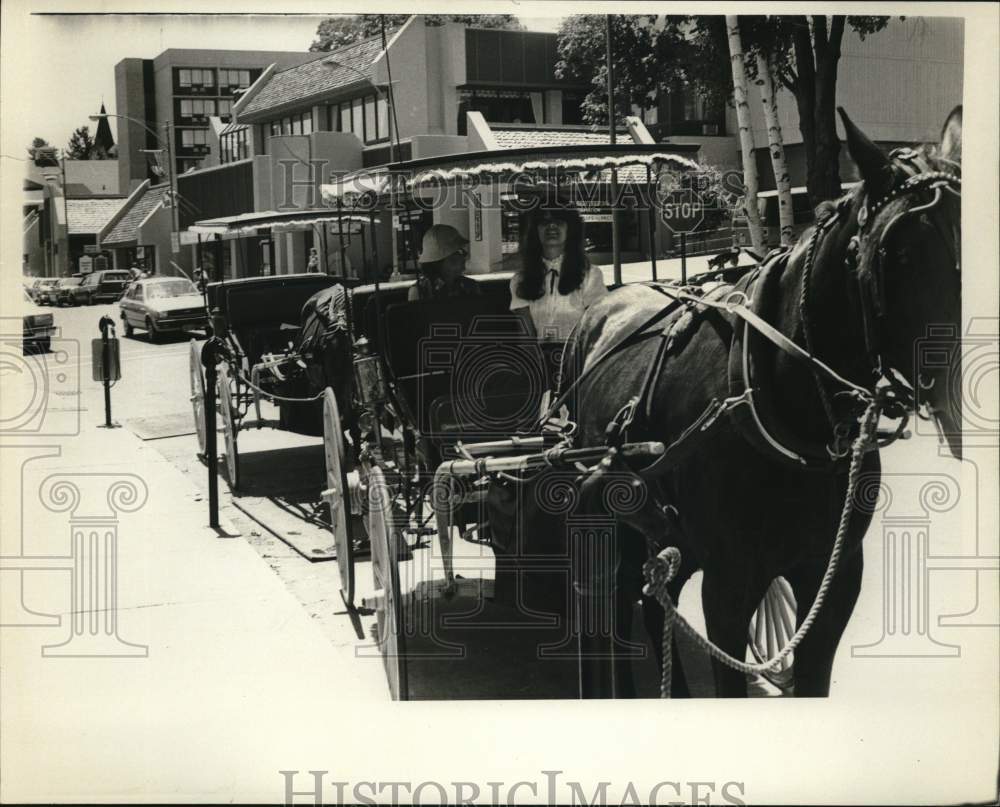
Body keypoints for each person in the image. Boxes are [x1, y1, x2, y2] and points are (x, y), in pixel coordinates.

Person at [509, 199, 607, 342]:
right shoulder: (520, 280)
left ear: (571, 229)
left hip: (579, 358)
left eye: (559, 221)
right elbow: (526, 339)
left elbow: (596, 329)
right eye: (544, 222)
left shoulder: (590, 275)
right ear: (535, 231)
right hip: (540, 359)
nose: (552, 226)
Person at [408, 224, 482, 301]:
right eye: (460, 252)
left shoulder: (470, 286)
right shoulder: (420, 292)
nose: (465, 256)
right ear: (440, 261)